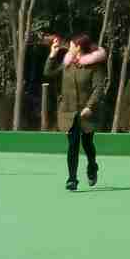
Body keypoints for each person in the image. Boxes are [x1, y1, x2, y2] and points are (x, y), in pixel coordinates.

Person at [47, 32, 107, 190]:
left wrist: (89, 106)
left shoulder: (94, 66)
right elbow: (48, 73)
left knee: (87, 143)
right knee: (73, 144)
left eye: (72, 44)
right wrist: (52, 55)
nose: (69, 46)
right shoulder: (67, 62)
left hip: (86, 112)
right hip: (68, 111)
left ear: (78, 47)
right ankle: (72, 179)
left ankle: (92, 166)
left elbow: (98, 88)